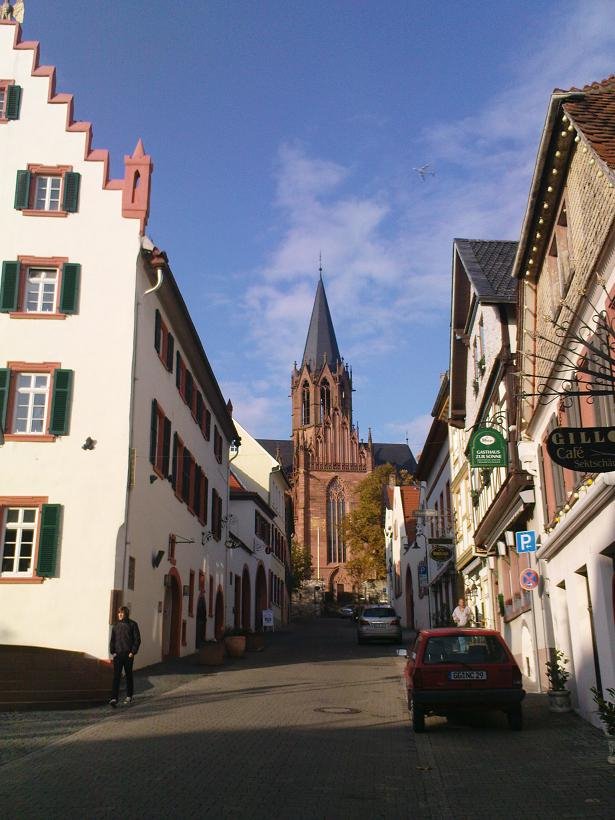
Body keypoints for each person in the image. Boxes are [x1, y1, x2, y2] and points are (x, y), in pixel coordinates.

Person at [109, 606, 141, 707]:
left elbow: (137, 640)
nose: (120, 614)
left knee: (128, 675)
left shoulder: (133, 624)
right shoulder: (116, 626)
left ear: (126, 614)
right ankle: (114, 698)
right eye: (119, 613)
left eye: (121, 613)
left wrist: (133, 652)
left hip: (128, 655)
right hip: (118, 655)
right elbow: (112, 640)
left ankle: (129, 695)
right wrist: (112, 651)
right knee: (116, 677)